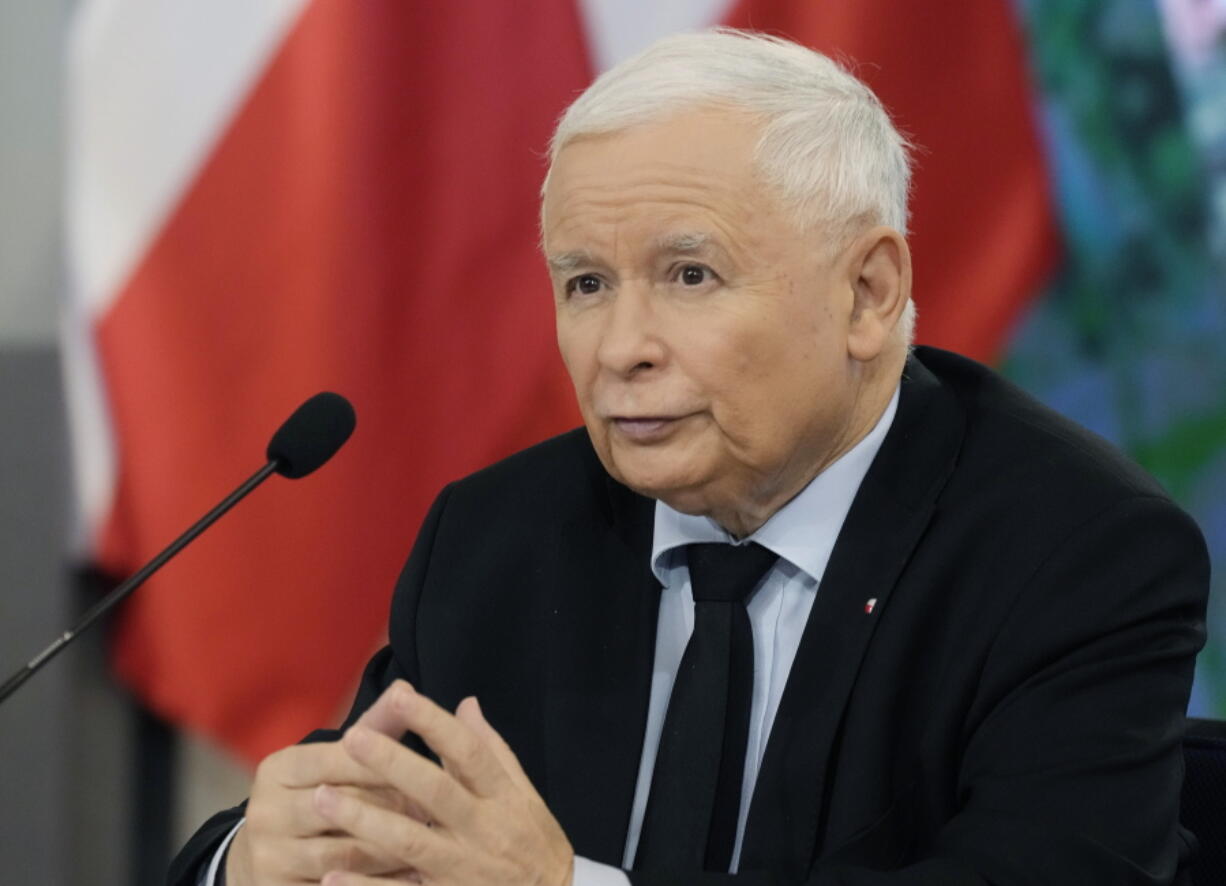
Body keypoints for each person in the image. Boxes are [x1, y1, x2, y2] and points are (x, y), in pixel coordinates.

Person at [170, 29, 1209, 886]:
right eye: (583, 283)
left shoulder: (1073, 553)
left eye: (689, 275)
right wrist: (248, 861)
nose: (620, 347)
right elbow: (369, 814)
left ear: (867, 293)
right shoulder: (497, 538)